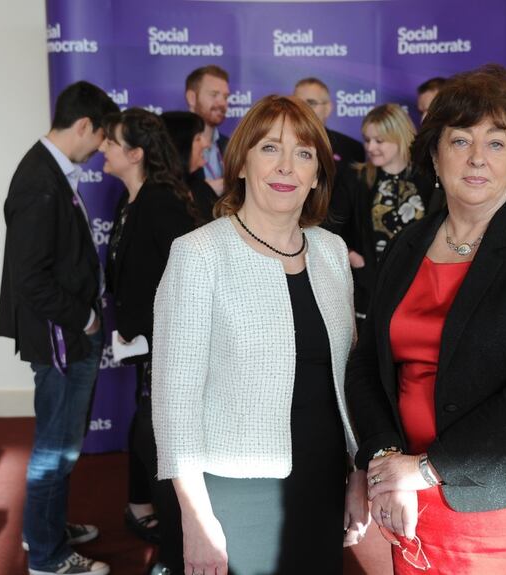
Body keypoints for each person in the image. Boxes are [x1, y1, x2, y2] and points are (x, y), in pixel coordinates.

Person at [345, 65, 506, 574]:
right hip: (413, 499)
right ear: (435, 156)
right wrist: (387, 460)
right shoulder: (407, 245)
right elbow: (367, 364)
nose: (477, 157)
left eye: (496, 143)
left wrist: (426, 468)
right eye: (460, 140)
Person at [152, 95, 369, 575]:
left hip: (322, 479)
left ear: (318, 175)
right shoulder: (199, 254)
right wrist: (196, 517)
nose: (287, 166)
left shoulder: (332, 251)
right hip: (233, 490)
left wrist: (357, 472)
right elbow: (173, 402)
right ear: (241, 163)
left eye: (304, 153)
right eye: (270, 148)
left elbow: (348, 377)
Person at [0, 80, 119, 575]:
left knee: (61, 443)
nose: (103, 147)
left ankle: (44, 529)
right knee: (56, 447)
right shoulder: (39, 180)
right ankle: (47, 557)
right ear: (85, 125)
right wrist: (85, 318)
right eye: (103, 135)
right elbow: (30, 278)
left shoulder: (49, 171)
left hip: (65, 332)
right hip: (61, 336)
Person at [99, 108, 203, 573]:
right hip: (147, 346)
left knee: (161, 445)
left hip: (170, 346)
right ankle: (169, 543)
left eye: (112, 142)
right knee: (149, 438)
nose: (103, 148)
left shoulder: (160, 203)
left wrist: (150, 328)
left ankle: (175, 554)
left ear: (136, 153)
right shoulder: (132, 200)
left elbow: (189, 277)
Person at [328, 103, 433, 324]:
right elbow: (329, 225)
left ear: (399, 137)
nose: (371, 147)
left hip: (420, 287)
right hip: (369, 289)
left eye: (379, 141)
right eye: (367, 140)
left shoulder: (427, 178)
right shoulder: (355, 177)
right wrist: (352, 255)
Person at [293, 77, 366, 168]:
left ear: (328, 108)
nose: (303, 109)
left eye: (311, 103)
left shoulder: (352, 149)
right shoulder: (281, 144)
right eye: (298, 103)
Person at [160, 110, 218, 222]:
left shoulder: (201, 189)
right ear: (179, 146)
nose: (206, 144)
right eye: (198, 139)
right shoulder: (158, 197)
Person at [185, 65, 230, 196]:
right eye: (214, 95)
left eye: (226, 97)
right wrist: (205, 190)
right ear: (192, 98)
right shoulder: (171, 145)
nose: (222, 103)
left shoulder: (229, 145)